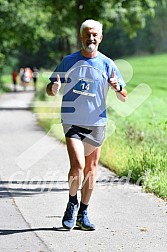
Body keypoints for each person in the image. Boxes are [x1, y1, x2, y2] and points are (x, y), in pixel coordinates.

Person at [46, 19, 128, 231]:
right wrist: (54, 87)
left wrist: (118, 87)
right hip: (72, 121)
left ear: (100, 38)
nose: (90, 38)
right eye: (87, 35)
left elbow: (124, 96)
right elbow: (51, 87)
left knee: (91, 170)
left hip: (97, 123)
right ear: (81, 37)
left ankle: (83, 212)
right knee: (78, 166)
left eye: (94, 35)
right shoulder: (69, 61)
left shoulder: (108, 64)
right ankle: (72, 203)